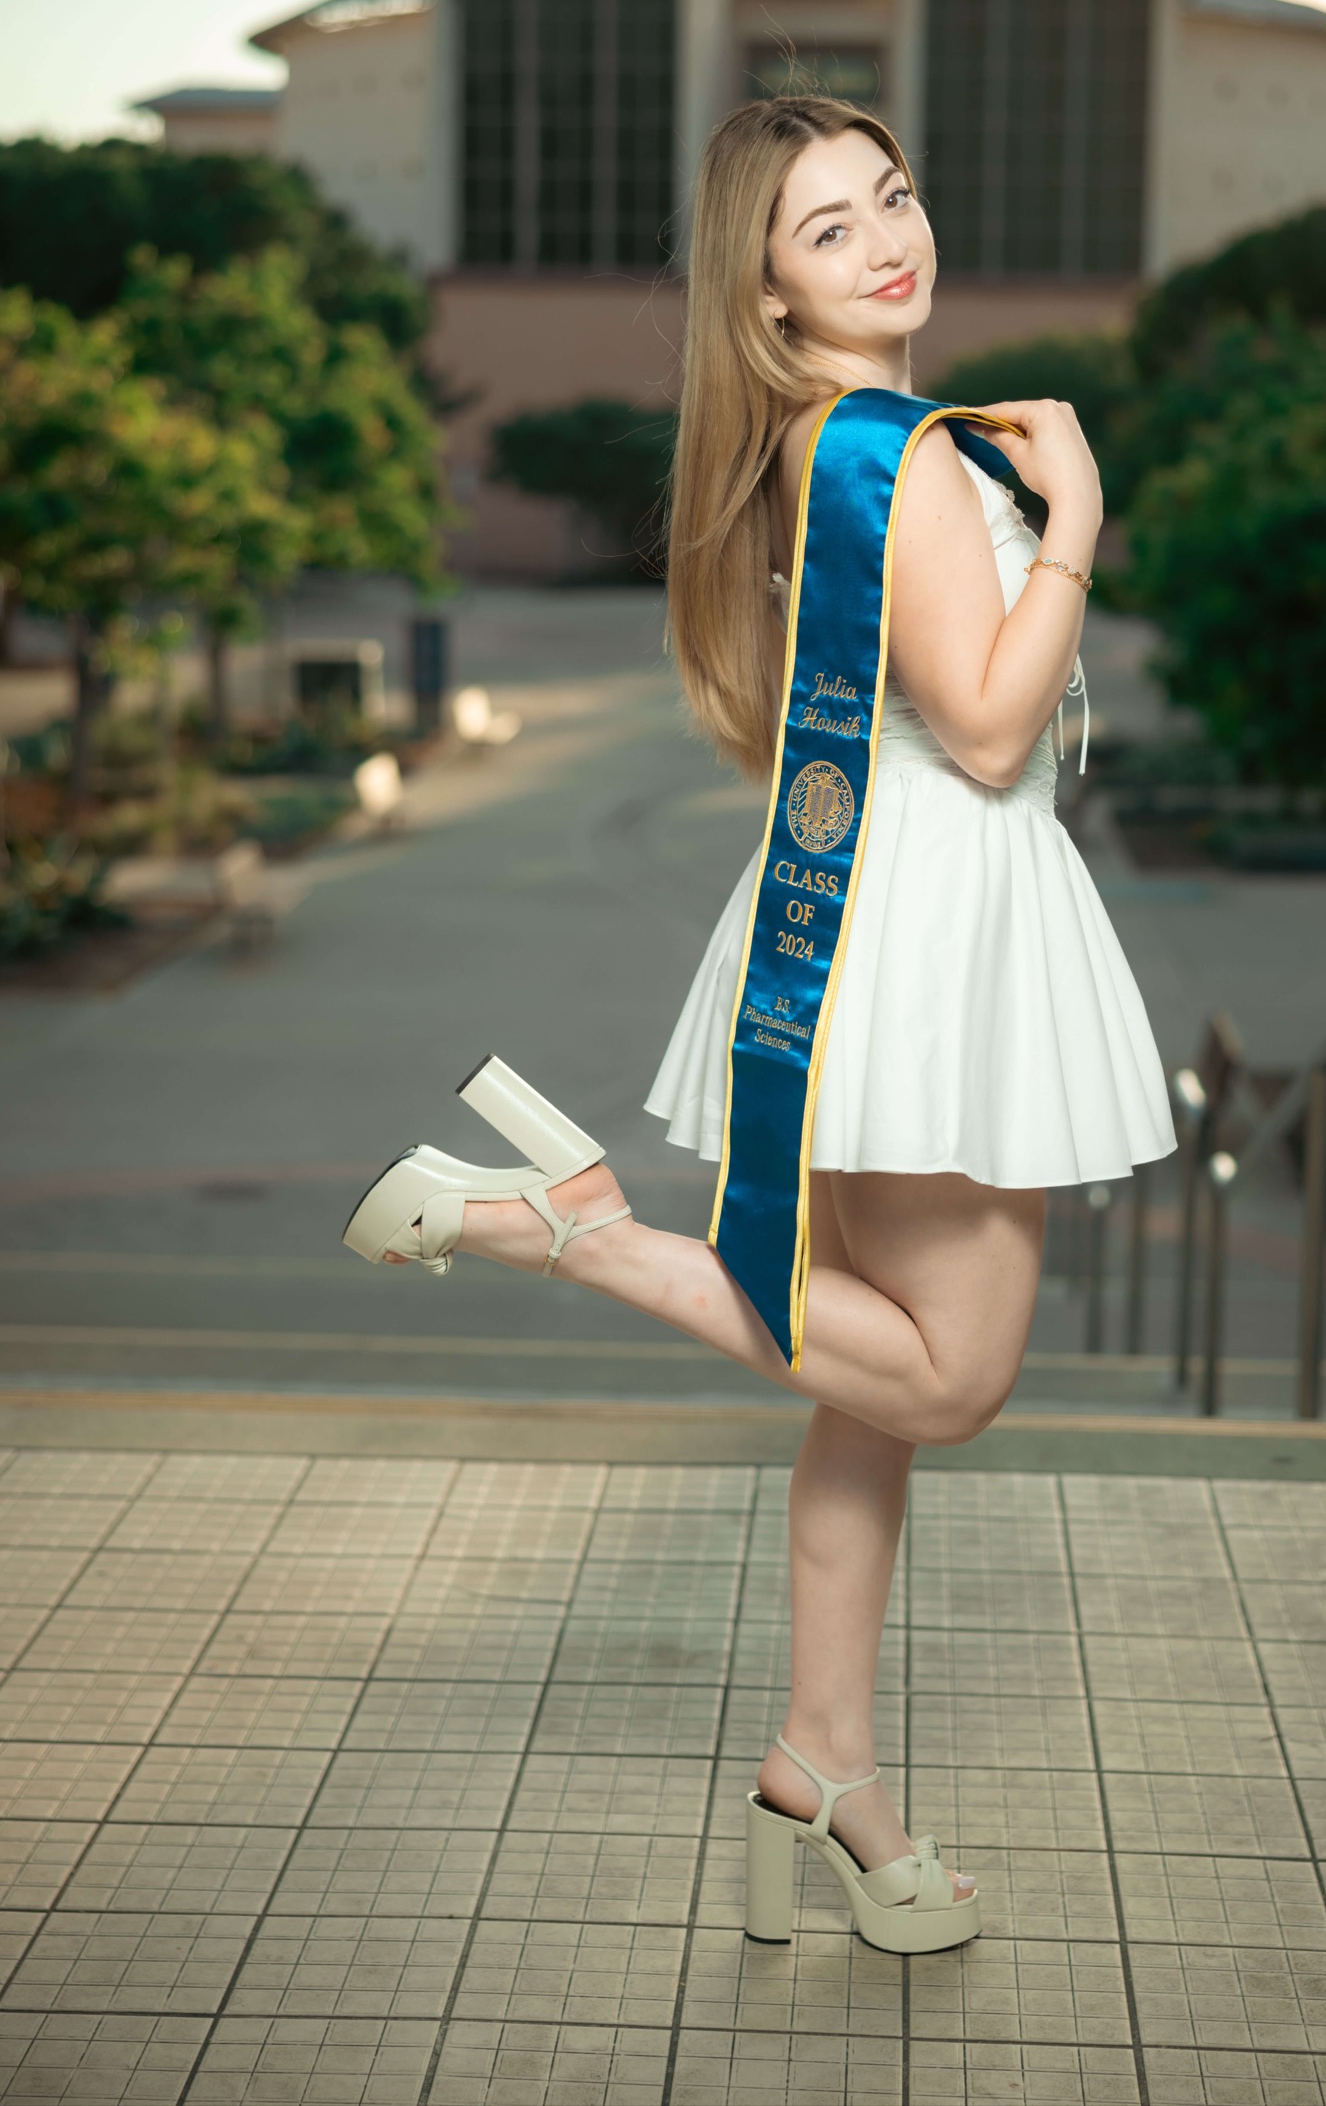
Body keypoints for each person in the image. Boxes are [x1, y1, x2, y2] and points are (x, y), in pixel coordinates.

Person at [343, 95, 1175, 1952]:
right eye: (828, 228)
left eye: (894, 193)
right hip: (934, 929)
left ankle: (828, 1772)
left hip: (885, 912)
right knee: (948, 1381)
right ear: (771, 293)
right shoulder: (883, 449)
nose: (889, 238)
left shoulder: (847, 438)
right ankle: (564, 1227)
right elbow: (987, 728)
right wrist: (1078, 523)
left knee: (868, 1414)